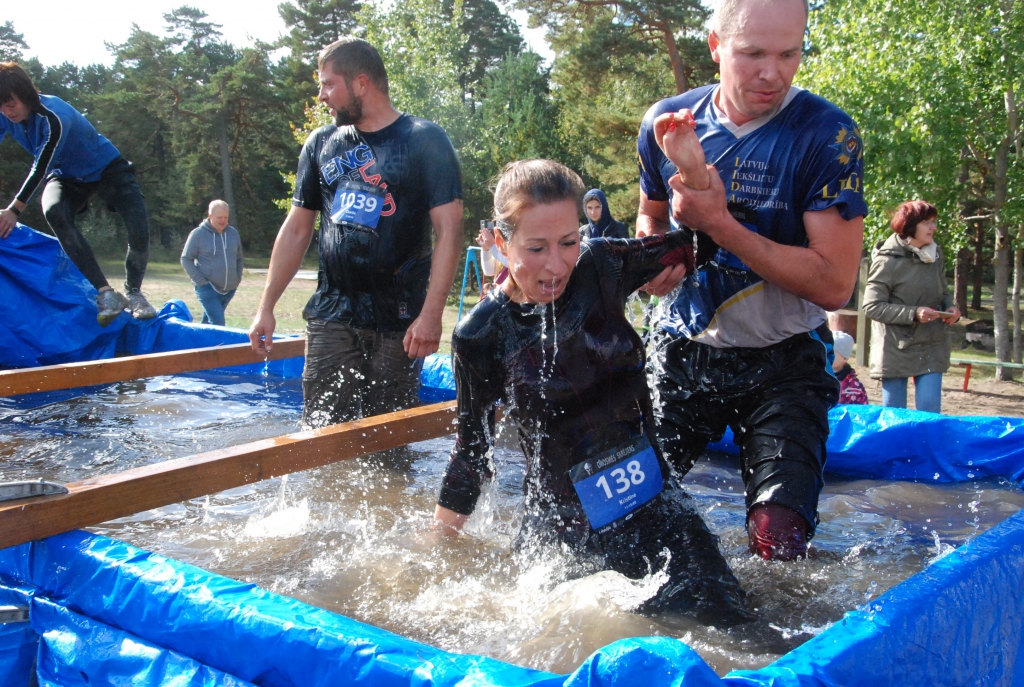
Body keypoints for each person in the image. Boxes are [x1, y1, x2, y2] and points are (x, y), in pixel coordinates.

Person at [432, 160, 751, 627]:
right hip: (563, 535)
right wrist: (436, 547)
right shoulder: (480, 335)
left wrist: (690, 169)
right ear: (501, 244)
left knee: (733, 631)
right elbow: (471, 452)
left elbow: (708, 239)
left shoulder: (600, 264)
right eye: (536, 248)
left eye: (567, 242)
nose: (556, 265)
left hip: (655, 508)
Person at [635, 0, 868, 560]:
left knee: (779, 543)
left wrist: (719, 223)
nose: (773, 72)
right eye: (753, 53)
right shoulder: (667, 122)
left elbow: (835, 284)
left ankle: (770, 644)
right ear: (715, 45)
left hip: (785, 361)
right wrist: (653, 263)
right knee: (623, 507)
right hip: (682, 348)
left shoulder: (828, 134)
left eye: (790, 53)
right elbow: (650, 213)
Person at [248, 38, 463, 428]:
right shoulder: (321, 144)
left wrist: (431, 315)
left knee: (389, 444)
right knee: (320, 431)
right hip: (332, 313)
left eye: (328, 84)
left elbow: (449, 231)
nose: (321, 95)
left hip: (399, 319)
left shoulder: (424, 140)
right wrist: (266, 307)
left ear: (361, 83)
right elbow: (297, 229)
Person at [0, 62, 157, 327]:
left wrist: (14, 210)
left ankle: (134, 292)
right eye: (1, 107)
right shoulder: (3, 114)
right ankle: (106, 294)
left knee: (139, 229)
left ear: (25, 94)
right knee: (53, 211)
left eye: (11, 104)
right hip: (67, 176)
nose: (6, 112)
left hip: (107, 168)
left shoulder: (54, 116)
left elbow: (41, 165)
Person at [863, 200, 959, 413]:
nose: (933, 227)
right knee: (895, 417)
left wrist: (951, 308)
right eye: (926, 222)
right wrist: (913, 314)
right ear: (909, 225)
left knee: (929, 413)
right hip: (896, 348)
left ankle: (925, 448)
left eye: (934, 221)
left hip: (932, 345)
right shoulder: (887, 260)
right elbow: (871, 306)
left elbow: (943, 291)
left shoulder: (936, 254)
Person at [181, 200, 244, 326]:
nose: (223, 220)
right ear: (210, 216)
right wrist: (202, 282)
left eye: (226, 217)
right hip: (207, 289)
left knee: (207, 324)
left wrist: (237, 279)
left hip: (229, 289)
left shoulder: (233, 233)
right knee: (218, 323)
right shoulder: (198, 234)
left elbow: (239, 258)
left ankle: (199, 344)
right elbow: (186, 259)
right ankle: (222, 346)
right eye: (219, 217)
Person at [830, 331, 868, 405]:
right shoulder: (817, 377)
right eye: (825, 352)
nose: (826, 356)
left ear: (844, 358)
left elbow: (861, 411)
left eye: (832, 353)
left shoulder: (854, 386)